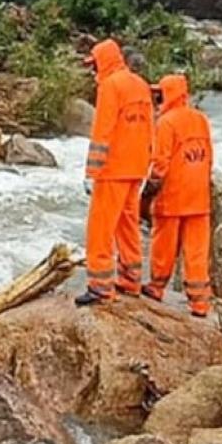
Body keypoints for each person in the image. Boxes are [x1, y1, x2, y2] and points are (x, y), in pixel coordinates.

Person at [77, 39, 155, 306]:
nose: (92, 71)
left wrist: (91, 171)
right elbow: (148, 128)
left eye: (93, 64)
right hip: (136, 168)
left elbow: (103, 130)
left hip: (113, 169)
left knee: (100, 229)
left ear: (103, 61)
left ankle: (100, 287)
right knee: (128, 225)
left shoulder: (110, 86)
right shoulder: (140, 84)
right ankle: (131, 280)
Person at [142, 75, 214, 318]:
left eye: (160, 93)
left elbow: (160, 162)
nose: (157, 98)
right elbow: (208, 156)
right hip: (199, 197)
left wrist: (149, 191)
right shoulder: (201, 120)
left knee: (164, 245)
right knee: (196, 251)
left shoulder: (166, 123)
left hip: (172, 195)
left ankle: (156, 287)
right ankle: (200, 302)